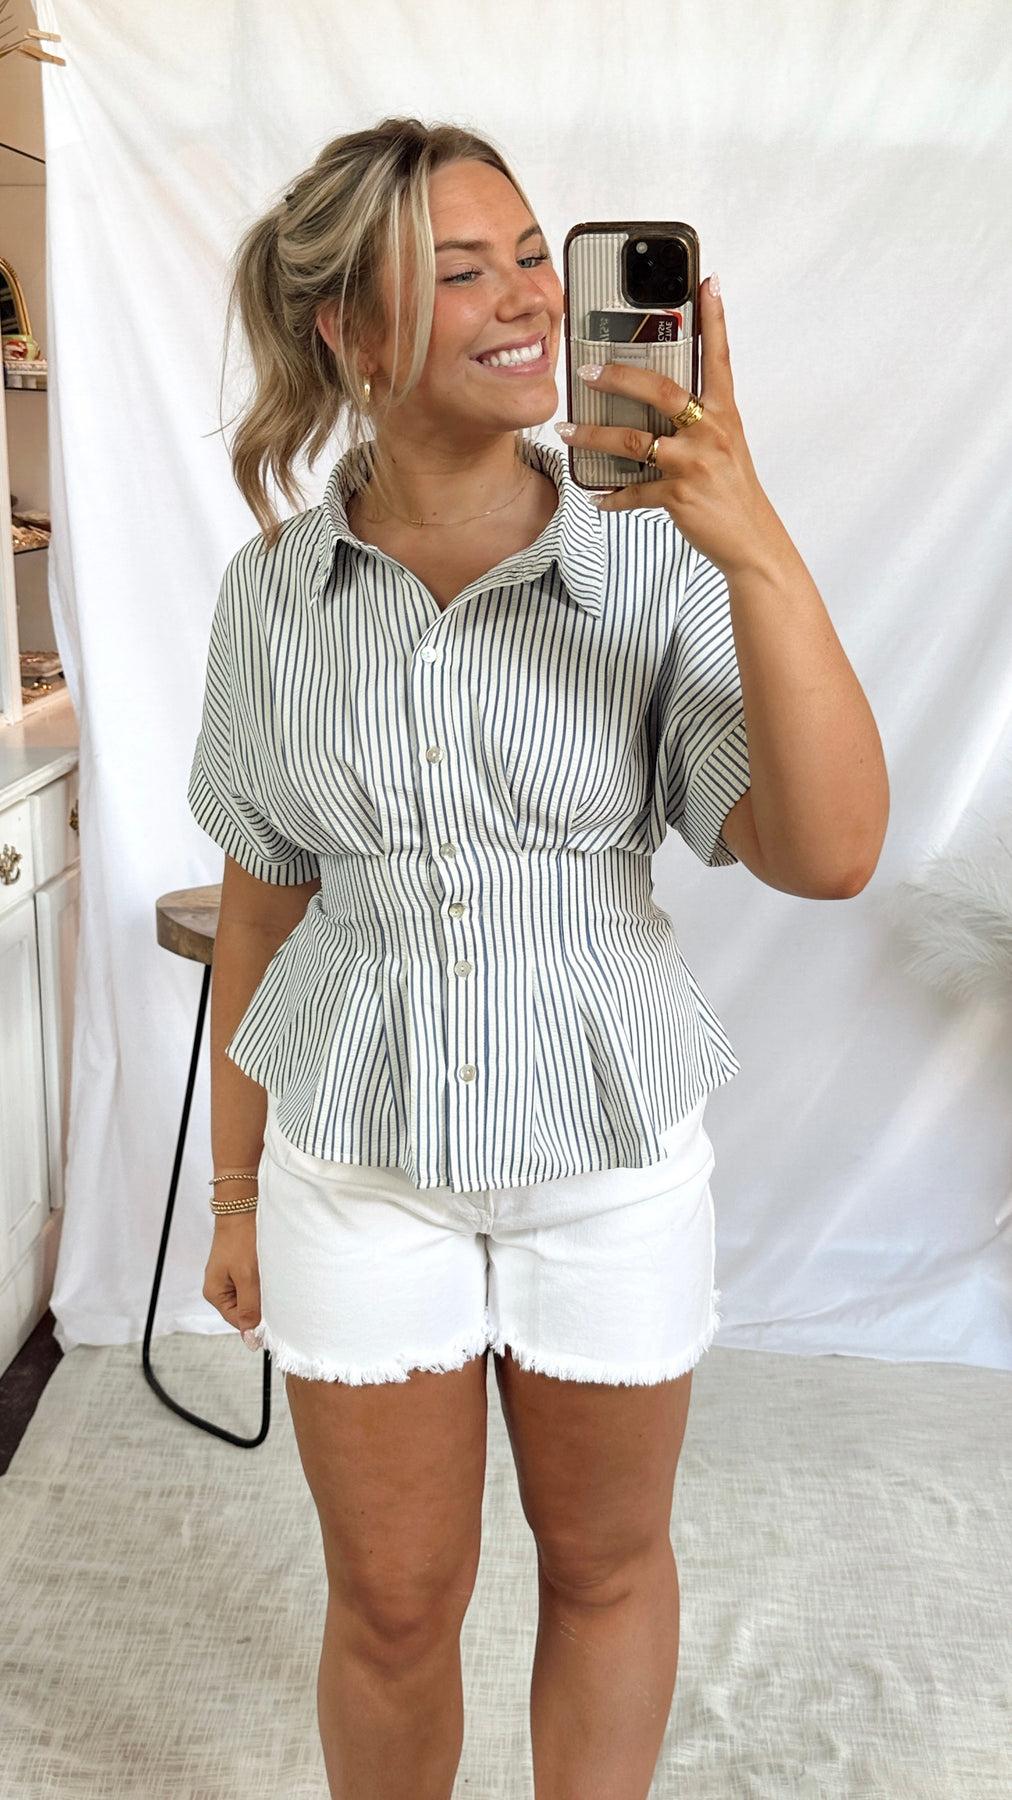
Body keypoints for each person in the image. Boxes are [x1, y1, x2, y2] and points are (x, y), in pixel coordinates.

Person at [191, 117, 888, 1800]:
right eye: (459, 271)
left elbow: (830, 852)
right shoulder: (273, 595)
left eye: (530, 256)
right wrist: (235, 1196)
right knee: (391, 1606)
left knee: (605, 1568)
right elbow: (263, 901)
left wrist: (752, 537)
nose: (523, 299)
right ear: (349, 334)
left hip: (609, 1162)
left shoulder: (655, 553)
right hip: (356, 1168)